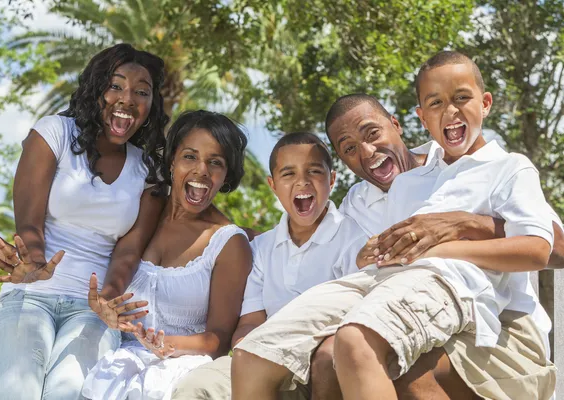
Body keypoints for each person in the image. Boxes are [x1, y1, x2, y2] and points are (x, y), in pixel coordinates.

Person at [231, 52, 559, 400]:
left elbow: (542, 247)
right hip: (383, 283)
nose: (449, 111)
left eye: (461, 98)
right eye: (435, 103)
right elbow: (375, 252)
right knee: (252, 355)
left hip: (468, 300)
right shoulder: (402, 186)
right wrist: (372, 253)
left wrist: (454, 231)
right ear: (422, 116)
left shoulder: (506, 166)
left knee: (355, 343)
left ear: (486, 102)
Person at [0, 43, 169, 400]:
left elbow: (127, 253)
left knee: (67, 394)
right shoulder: (54, 134)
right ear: (96, 89)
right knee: (19, 391)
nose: (127, 98)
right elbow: (29, 224)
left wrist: (107, 302)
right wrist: (31, 263)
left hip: (91, 313)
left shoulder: (148, 171)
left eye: (142, 91)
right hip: (28, 296)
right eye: (116, 85)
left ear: (151, 106)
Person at [171, 132, 368, 400]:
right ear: (272, 185)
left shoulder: (354, 240)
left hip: (322, 364)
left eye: (314, 171)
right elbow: (251, 322)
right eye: (288, 174)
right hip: (266, 358)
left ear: (331, 180)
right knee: (195, 387)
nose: (302, 181)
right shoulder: (262, 248)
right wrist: (247, 350)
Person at [80, 110, 252, 400]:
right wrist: (106, 301)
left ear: (225, 176)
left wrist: (164, 344)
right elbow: (124, 257)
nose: (201, 170)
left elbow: (218, 340)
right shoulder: (149, 205)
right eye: (190, 156)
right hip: (116, 363)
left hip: (181, 372)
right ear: (172, 159)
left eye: (215, 162)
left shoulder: (228, 243)